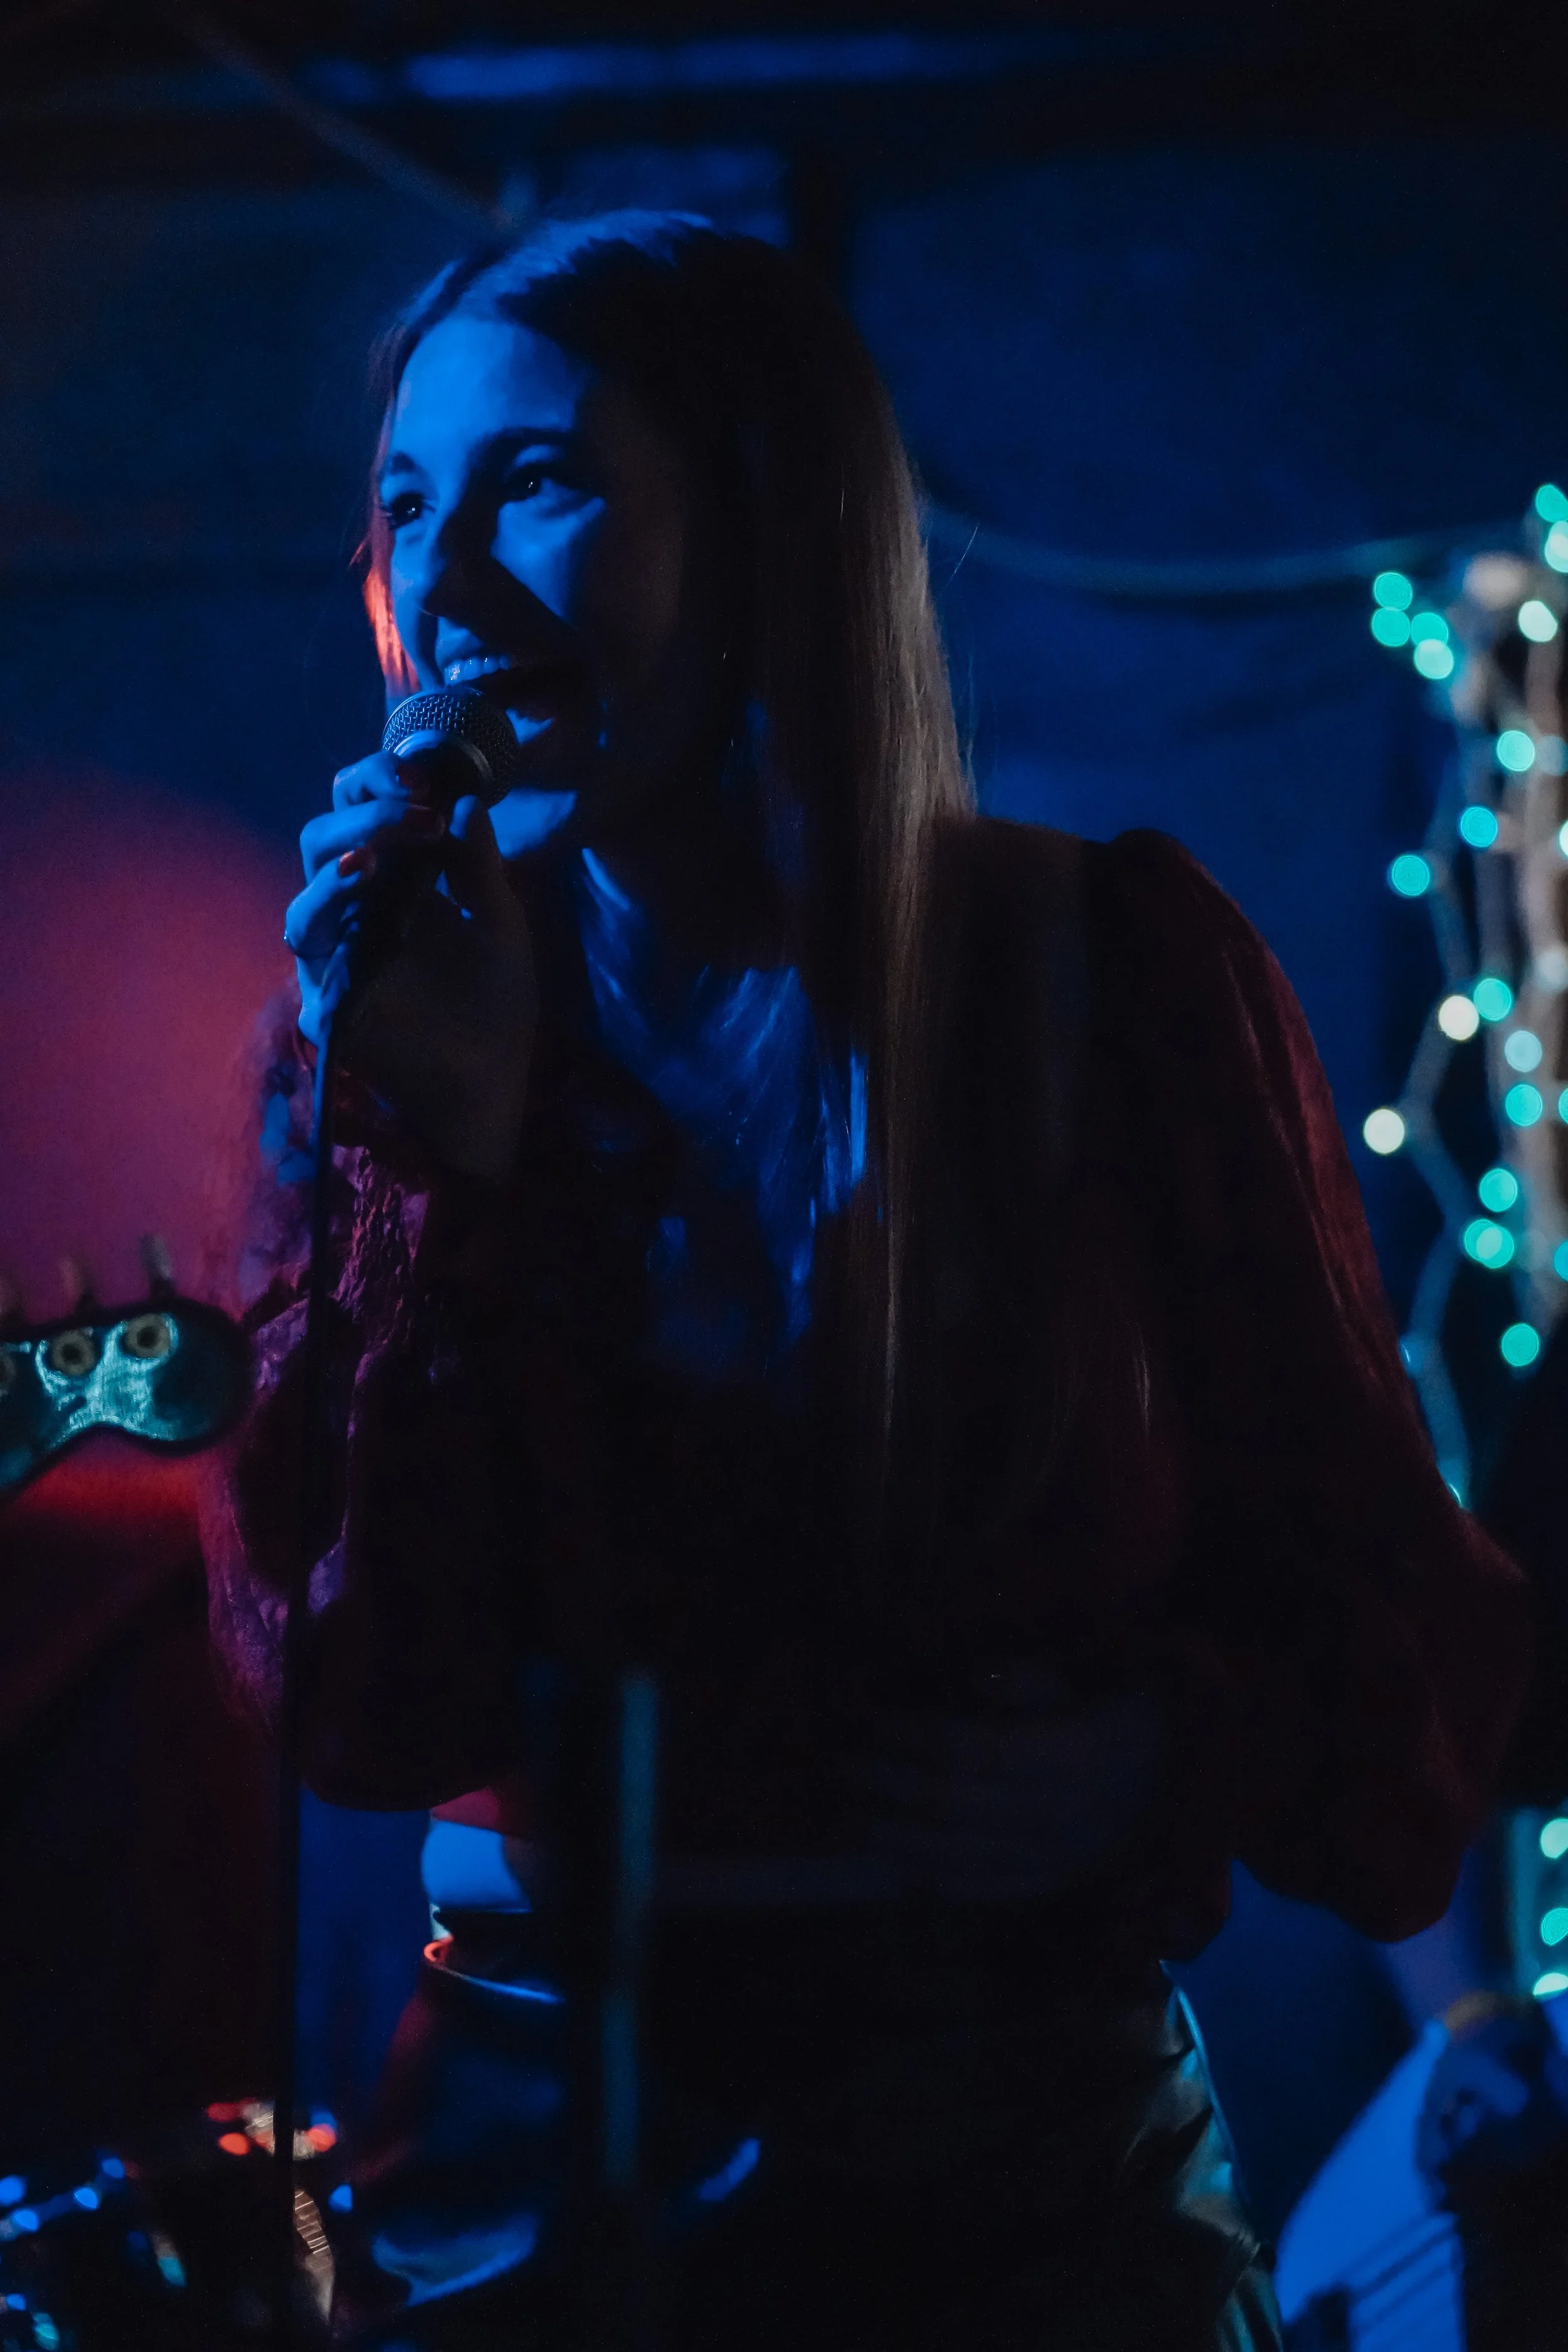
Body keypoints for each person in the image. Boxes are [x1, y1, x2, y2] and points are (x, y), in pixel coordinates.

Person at [200, 213, 1528, 2349]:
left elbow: (1405, 1617)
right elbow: (359, 1705)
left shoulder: (1110, 973)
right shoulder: (406, 1020)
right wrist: (427, 1156)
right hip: (531, 2164)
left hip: (1023, 2159)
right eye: (401, 506)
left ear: (768, 529)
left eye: (537, 483)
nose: (440, 592)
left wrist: (1160, 1750)